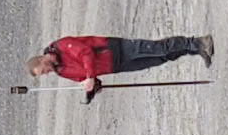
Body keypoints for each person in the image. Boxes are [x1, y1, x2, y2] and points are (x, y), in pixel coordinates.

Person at [21, 32, 215, 98]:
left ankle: (198, 42)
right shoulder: (61, 71)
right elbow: (87, 78)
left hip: (117, 49)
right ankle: (194, 50)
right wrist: (91, 88)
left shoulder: (63, 45)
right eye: (43, 74)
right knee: (159, 59)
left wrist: (89, 76)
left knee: (158, 48)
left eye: (43, 69)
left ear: (42, 58)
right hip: (116, 66)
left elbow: (86, 53)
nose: (46, 72)